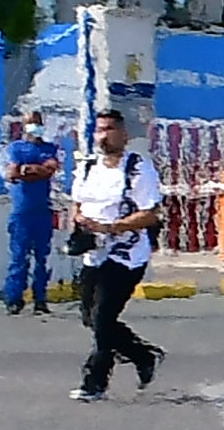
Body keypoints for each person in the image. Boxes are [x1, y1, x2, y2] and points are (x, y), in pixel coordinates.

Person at [62, 106, 168, 398]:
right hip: (93, 253)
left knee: (103, 318)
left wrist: (112, 228)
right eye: (99, 130)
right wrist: (81, 224)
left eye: (110, 129)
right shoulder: (87, 167)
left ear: (123, 134)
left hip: (126, 255)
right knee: (89, 316)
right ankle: (142, 355)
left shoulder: (137, 168)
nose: (104, 136)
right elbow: (78, 203)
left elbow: (150, 214)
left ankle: (94, 380)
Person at [2, 111, 63, 317]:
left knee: (42, 258)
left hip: (42, 211)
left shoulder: (48, 148)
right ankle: (14, 298)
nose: (34, 127)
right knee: (19, 257)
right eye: (30, 123)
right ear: (23, 125)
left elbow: (50, 169)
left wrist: (28, 171)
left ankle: (40, 299)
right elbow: (12, 173)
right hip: (21, 212)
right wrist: (29, 171)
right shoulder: (16, 148)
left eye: (37, 123)